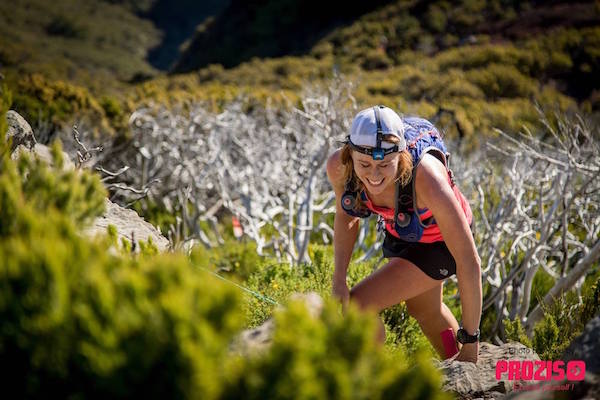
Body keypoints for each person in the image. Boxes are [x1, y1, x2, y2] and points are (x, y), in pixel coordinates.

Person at [326, 105, 482, 363]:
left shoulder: (427, 179)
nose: (374, 176)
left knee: (359, 307)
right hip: (403, 231)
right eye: (364, 164)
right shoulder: (340, 168)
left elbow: (468, 260)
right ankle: (455, 363)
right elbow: (347, 215)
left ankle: (378, 380)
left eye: (386, 164)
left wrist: (471, 342)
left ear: (402, 156)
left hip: (442, 241)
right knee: (425, 310)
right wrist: (339, 278)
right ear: (349, 154)